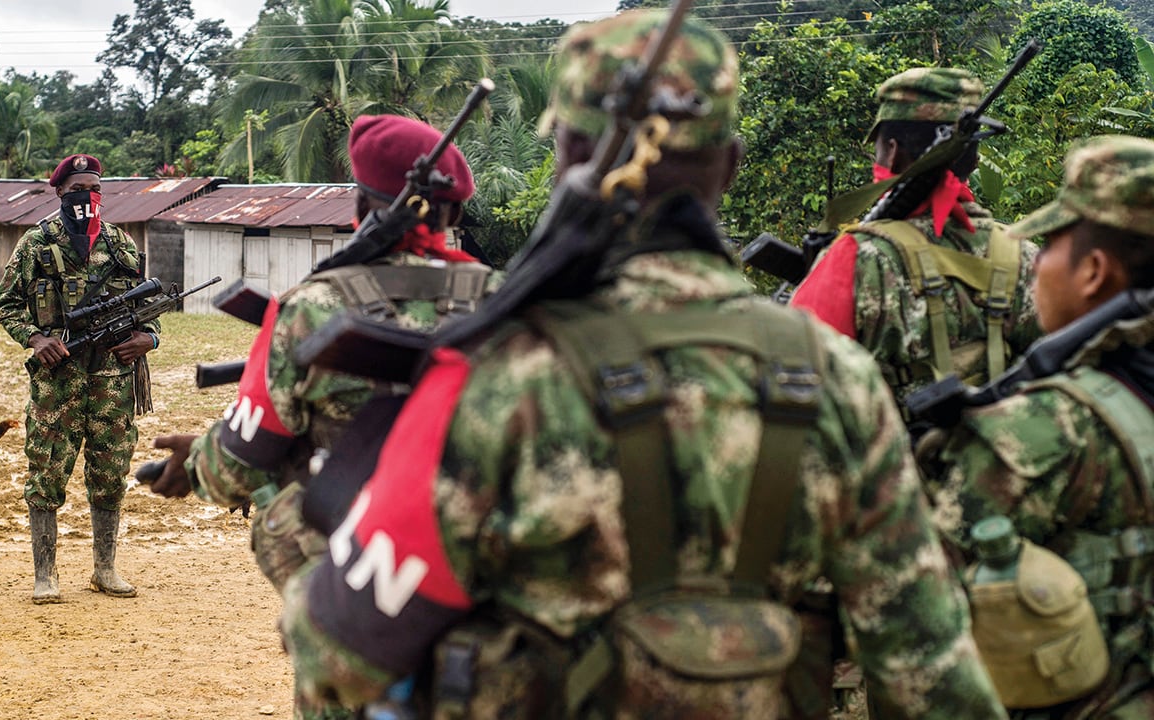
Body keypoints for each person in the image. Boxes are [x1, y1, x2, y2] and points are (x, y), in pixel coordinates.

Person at [275, 12, 1006, 719]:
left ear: (565, 158)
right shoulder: (841, 379)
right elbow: (931, 673)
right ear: (731, 164)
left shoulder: (500, 373)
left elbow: (342, 655)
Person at [147, 115, 495, 594]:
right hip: (480, 550)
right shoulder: (504, 301)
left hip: (361, 564)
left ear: (358, 204)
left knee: (276, 490)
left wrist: (196, 465)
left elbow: (236, 468)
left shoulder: (314, 306)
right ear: (453, 215)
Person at [926, 134, 1154, 718]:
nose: (1036, 265)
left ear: (1093, 271)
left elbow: (917, 605)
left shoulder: (1043, 429)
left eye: (1051, 245)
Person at [789, 67, 1041, 421]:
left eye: (877, 148)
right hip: (1004, 464)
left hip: (889, 469)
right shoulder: (1026, 256)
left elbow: (794, 381)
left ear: (891, 152)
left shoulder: (856, 257)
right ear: (975, 158)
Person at [0, 153, 159, 604]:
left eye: (93, 189)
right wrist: (34, 338)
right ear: (60, 192)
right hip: (57, 380)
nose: (86, 197)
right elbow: (5, 304)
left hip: (114, 380)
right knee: (46, 472)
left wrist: (149, 339)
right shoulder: (35, 244)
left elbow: (147, 309)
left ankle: (105, 570)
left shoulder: (121, 244)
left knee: (111, 471)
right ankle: (45, 575)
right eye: (76, 190)